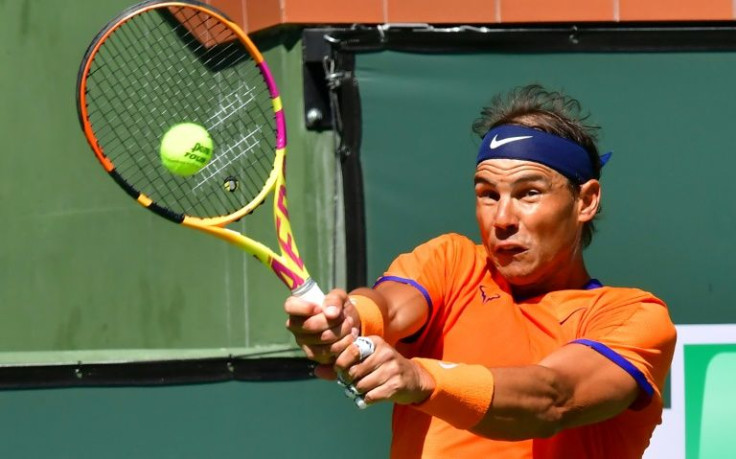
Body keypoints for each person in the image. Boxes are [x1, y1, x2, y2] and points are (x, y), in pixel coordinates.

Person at [284, 84, 676, 458]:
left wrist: (423, 380)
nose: (502, 218)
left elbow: (554, 397)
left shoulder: (633, 317)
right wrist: (350, 318)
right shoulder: (453, 262)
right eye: (488, 194)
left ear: (585, 201)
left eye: (528, 193)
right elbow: (387, 309)